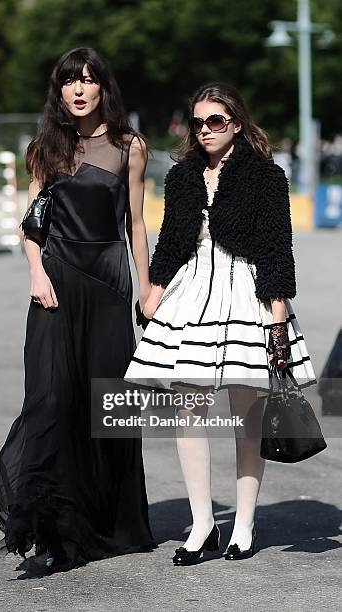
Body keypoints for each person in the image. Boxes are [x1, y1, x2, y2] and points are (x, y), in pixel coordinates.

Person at [124, 83, 317, 564]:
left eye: (215, 120)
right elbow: (171, 242)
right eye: (198, 122)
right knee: (188, 409)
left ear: (236, 122)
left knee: (246, 415)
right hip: (191, 294)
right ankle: (203, 522)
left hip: (245, 293)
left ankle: (245, 524)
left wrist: (277, 326)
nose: (205, 129)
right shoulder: (182, 175)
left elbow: (277, 252)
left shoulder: (266, 176)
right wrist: (152, 293)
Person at [0, 47, 155, 573]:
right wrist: (36, 274)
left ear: (103, 87)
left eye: (88, 80)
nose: (79, 89)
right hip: (56, 283)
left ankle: (109, 525)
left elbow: (134, 224)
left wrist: (147, 288)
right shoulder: (44, 147)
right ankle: (52, 527)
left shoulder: (130, 146)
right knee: (51, 400)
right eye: (70, 81)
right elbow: (31, 223)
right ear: (59, 90)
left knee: (107, 408)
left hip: (109, 283)